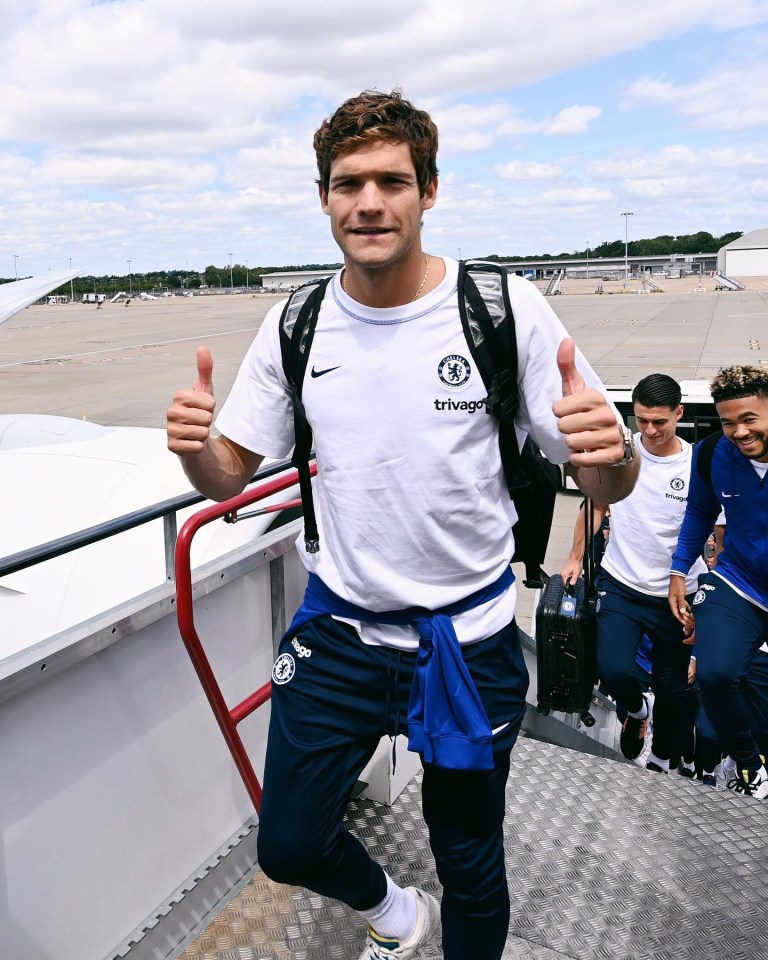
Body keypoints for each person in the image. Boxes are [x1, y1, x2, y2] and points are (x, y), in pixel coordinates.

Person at [166, 89, 638, 960]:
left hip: (469, 643)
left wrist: (611, 455)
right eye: (349, 184)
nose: (370, 202)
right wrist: (195, 451)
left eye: (392, 181)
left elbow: (609, 477)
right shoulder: (296, 324)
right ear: (324, 198)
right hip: (341, 633)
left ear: (428, 191)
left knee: (469, 863)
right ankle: (393, 915)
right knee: (290, 843)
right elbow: (231, 471)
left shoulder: (502, 310)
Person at [562, 374, 706, 774]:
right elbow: (595, 507)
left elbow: (720, 540)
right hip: (622, 585)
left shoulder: (698, 466)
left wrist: (708, 605)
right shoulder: (620, 455)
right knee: (611, 669)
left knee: (673, 687)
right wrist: (575, 557)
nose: (650, 430)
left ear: (679, 413)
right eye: (641, 420)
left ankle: (661, 758)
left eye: (659, 421)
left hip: (677, 596)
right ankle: (637, 709)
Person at [669, 364, 768, 800]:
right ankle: (750, 766)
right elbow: (698, 513)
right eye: (729, 422)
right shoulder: (711, 453)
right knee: (714, 675)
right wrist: (678, 571)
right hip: (741, 580)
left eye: (750, 419)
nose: (739, 432)